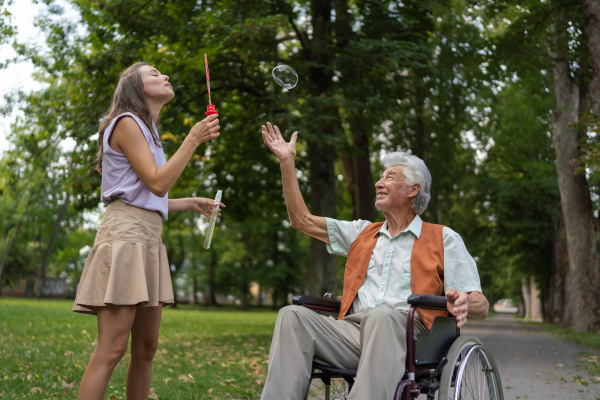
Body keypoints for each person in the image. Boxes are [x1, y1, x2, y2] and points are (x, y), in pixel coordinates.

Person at [259, 122, 489, 400]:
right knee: (291, 316)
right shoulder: (361, 233)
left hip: (413, 338)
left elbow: (481, 303)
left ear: (412, 190)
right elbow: (301, 220)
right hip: (353, 332)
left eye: (390, 177)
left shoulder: (444, 238)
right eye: (380, 177)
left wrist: (465, 302)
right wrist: (287, 163)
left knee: (382, 316)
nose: (379, 183)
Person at [72, 62, 222, 400]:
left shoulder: (148, 132)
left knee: (146, 349)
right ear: (133, 87)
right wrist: (194, 138)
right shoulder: (126, 122)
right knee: (111, 350)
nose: (165, 76)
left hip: (149, 239)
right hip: (125, 237)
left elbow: (148, 197)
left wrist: (189, 202)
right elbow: (156, 183)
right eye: (154, 74)